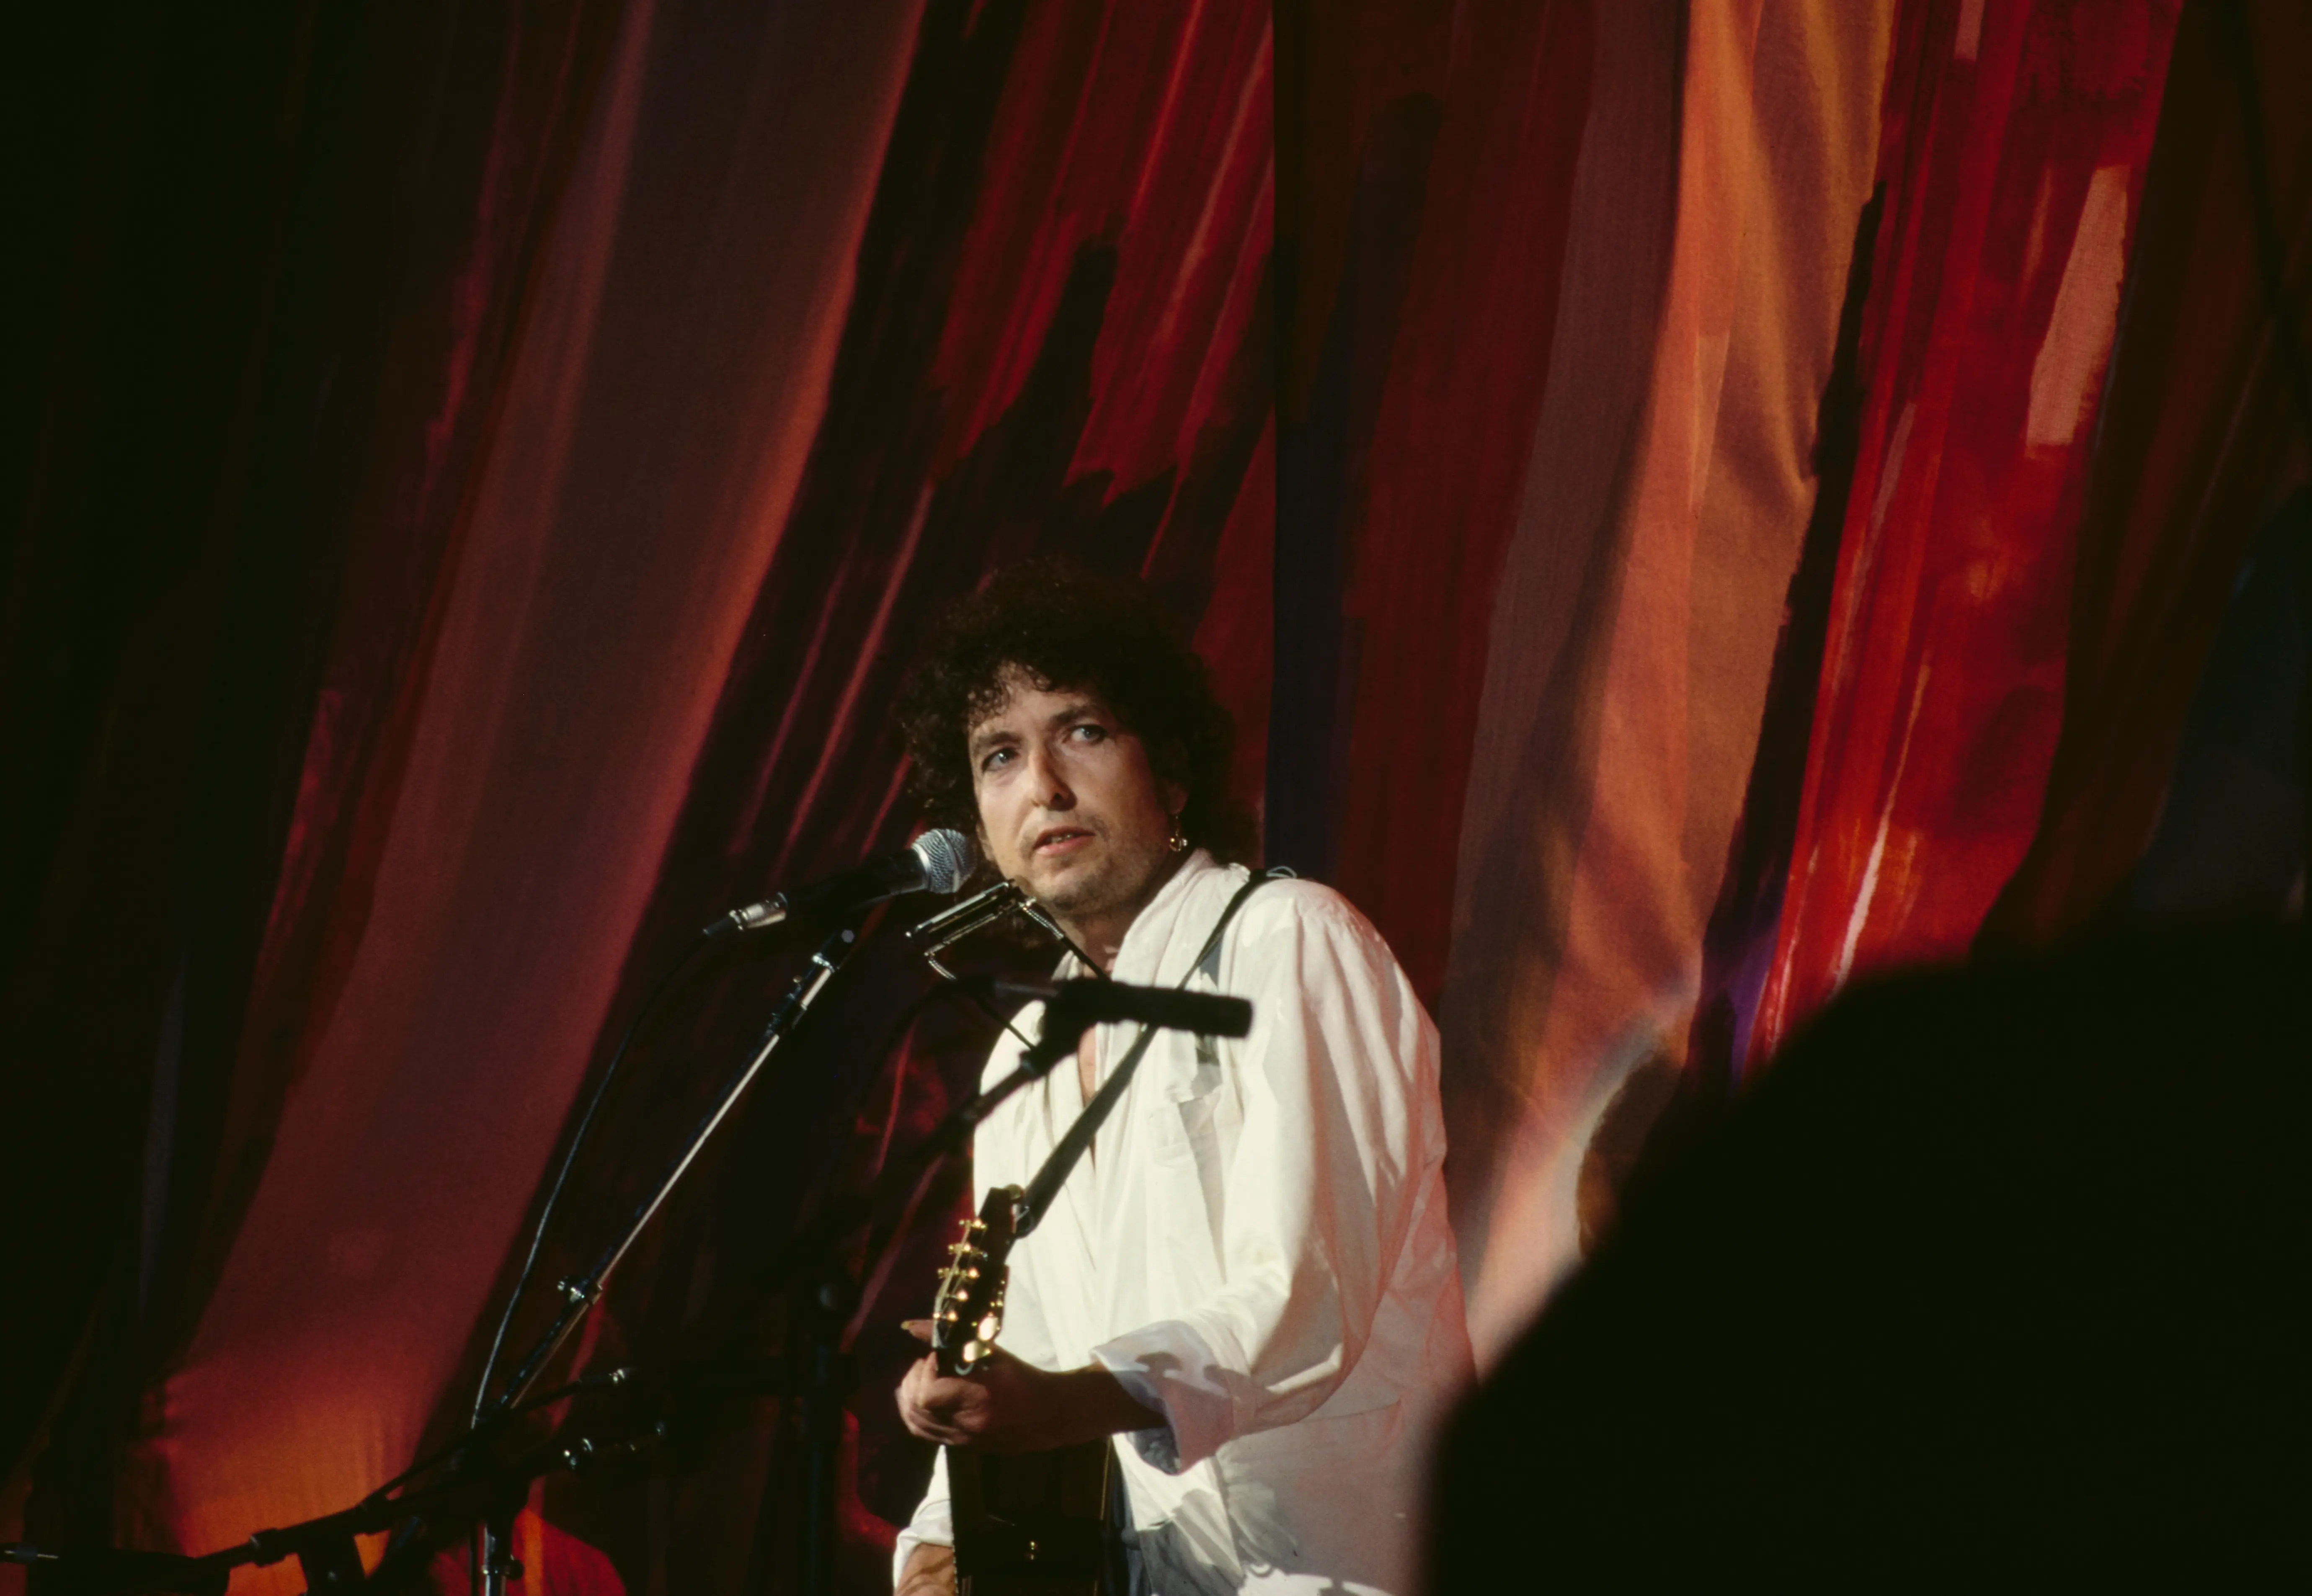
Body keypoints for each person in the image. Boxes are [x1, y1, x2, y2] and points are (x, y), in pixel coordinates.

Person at [888, 562, 1472, 1596]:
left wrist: (1072, 1401)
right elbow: (1022, 1354)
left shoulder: (1289, 940)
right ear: (977, 828)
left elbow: (1304, 1290)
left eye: (1084, 733)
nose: (1045, 789)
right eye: (999, 757)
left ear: (1176, 768)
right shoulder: (1023, 1053)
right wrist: (942, 1534)